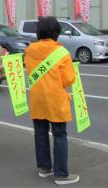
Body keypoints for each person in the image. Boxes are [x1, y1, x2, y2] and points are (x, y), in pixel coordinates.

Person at [24, 16, 79, 185]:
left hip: (37, 98)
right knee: (59, 135)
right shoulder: (62, 53)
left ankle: (44, 168)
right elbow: (69, 79)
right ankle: (61, 174)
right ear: (56, 33)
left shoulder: (30, 50)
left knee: (40, 134)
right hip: (55, 99)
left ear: (38, 32)